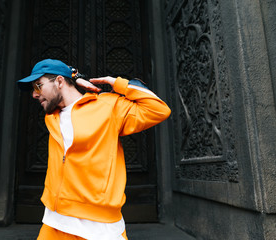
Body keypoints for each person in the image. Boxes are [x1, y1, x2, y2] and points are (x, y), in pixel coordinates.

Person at [17, 59, 171, 240]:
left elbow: (159, 110)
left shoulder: (108, 107)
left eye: (38, 86)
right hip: (55, 221)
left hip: (101, 227)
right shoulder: (52, 116)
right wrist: (75, 75)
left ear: (59, 82)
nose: (35, 95)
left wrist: (117, 83)